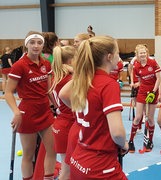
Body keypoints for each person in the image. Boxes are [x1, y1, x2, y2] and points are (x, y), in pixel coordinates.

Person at [59, 35, 128, 179]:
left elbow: (63, 94)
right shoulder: (109, 84)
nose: (119, 57)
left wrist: (89, 115)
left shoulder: (84, 78)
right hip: (100, 166)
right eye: (117, 53)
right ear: (109, 57)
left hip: (78, 160)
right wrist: (124, 144)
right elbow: (117, 133)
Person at [5, 31, 56, 179]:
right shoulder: (19, 66)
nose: (36, 46)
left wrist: (57, 106)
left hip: (45, 111)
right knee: (29, 154)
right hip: (27, 113)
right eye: (32, 43)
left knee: (52, 150)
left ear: (43, 45)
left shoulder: (46, 63)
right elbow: (8, 93)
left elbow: (49, 90)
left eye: (39, 43)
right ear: (26, 44)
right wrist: (16, 112)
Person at [49, 45, 76, 179]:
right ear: (71, 61)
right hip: (68, 125)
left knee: (68, 169)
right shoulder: (69, 79)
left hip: (61, 123)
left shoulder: (57, 76)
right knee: (67, 171)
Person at [128, 44, 161, 153]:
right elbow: (140, 81)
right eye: (140, 53)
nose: (143, 55)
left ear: (147, 53)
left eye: (144, 53)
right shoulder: (136, 66)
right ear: (137, 55)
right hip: (142, 92)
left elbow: (158, 79)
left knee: (150, 119)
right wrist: (135, 85)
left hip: (153, 92)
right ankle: (131, 141)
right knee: (137, 118)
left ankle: (150, 141)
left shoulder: (153, 63)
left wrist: (154, 91)